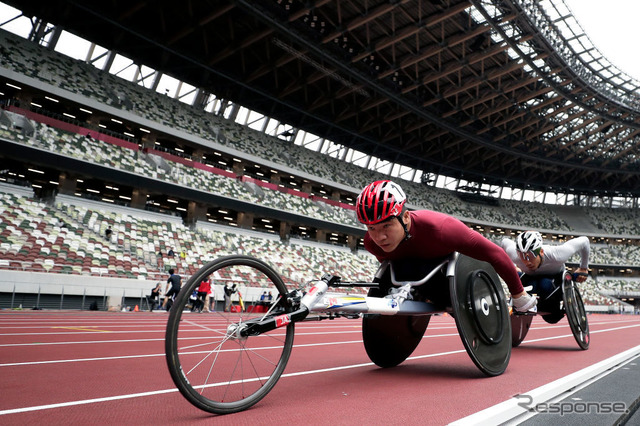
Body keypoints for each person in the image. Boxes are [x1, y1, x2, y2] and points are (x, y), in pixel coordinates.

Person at [356, 180, 536, 312]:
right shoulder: (371, 243)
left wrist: (518, 294)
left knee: (445, 296)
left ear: (405, 217)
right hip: (412, 278)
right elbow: (389, 268)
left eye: (386, 226)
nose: (380, 237)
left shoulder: (441, 229)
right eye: (371, 228)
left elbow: (494, 253)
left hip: (449, 279)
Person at [501, 231, 590, 323]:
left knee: (551, 317)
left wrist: (584, 267)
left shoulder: (557, 254)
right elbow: (504, 242)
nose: (527, 262)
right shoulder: (514, 255)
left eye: (530, 256)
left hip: (555, 281)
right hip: (532, 280)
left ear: (541, 252)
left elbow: (585, 241)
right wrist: (512, 265)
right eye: (522, 256)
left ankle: (553, 310)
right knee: (515, 276)